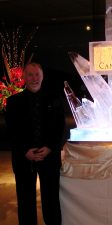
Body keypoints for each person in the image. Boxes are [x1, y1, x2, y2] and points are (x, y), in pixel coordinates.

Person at [5, 62, 66, 225]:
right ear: (24, 77)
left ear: (42, 76)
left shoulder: (55, 99)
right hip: (24, 159)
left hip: (50, 158)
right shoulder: (13, 102)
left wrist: (51, 148)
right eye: (30, 75)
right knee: (25, 201)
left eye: (37, 74)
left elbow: (61, 128)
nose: (34, 78)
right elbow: (11, 131)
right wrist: (25, 151)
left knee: (51, 200)